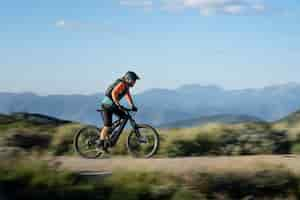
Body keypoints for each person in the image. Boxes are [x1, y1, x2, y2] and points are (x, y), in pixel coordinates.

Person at [99, 71, 140, 151]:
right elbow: (113, 93)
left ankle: (112, 136)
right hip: (107, 105)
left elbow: (128, 96)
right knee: (107, 126)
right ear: (128, 79)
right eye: (134, 80)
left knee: (124, 117)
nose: (134, 82)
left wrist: (132, 105)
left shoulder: (126, 86)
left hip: (112, 105)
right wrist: (118, 104)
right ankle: (100, 144)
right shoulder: (122, 84)